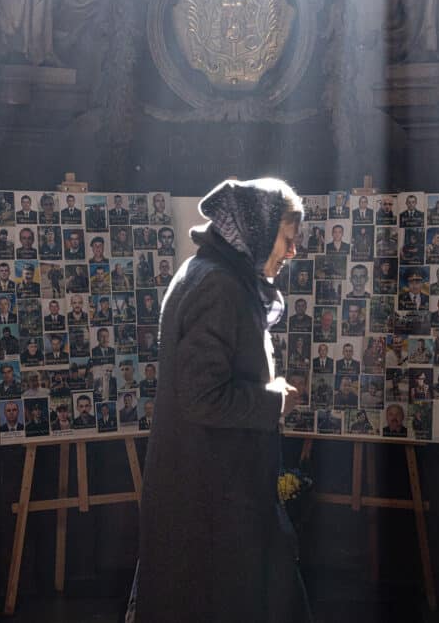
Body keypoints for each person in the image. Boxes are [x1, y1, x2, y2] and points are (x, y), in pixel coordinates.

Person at [134, 178, 309, 621]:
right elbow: (201, 398)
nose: (292, 253)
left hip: (212, 493)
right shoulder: (219, 285)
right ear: (258, 230)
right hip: (212, 501)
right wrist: (274, 402)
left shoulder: (214, 273)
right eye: (287, 239)